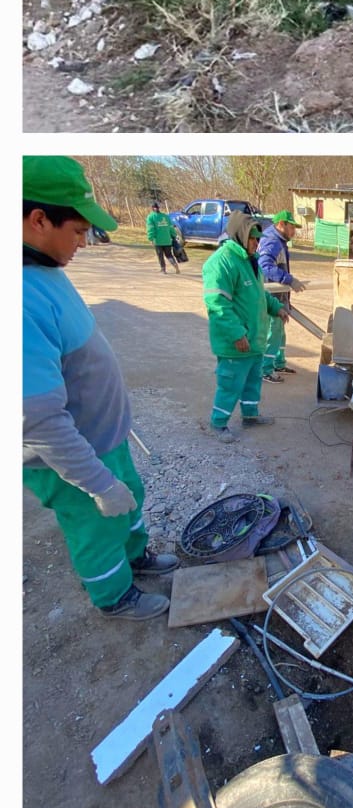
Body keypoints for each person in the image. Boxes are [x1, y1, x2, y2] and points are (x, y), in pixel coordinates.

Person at [22, 156, 178, 621]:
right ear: (38, 219)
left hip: (103, 438)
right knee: (96, 525)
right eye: (78, 231)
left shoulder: (42, 270)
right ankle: (113, 595)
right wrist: (95, 482)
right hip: (72, 456)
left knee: (129, 501)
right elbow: (37, 418)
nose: (84, 243)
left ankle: (136, 558)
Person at [202, 213, 285, 438]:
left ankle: (250, 416)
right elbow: (217, 305)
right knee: (230, 384)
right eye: (253, 239)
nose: (257, 244)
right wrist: (236, 333)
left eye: (259, 239)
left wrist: (276, 307)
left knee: (251, 382)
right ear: (241, 235)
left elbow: (258, 294)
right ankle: (217, 424)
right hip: (236, 343)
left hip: (254, 340)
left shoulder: (250, 261)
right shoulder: (221, 262)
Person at [257, 210, 306, 381]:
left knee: (280, 331)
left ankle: (279, 362)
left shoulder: (279, 241)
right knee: (274, 331)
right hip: (272, 296)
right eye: (291, 227)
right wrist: (289, 280)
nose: (294, 231)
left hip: (279, 295)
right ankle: (266, 369)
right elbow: (264, 266)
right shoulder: (272, 241)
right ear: (281, 224)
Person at [145, 204, 181, 274]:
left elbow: (151, 229)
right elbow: (171, 227)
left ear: (152, 208)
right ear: (159, 208)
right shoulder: (165, 216)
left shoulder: (150, 217)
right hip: (167, 240)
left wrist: (151, 238)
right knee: (169, 255)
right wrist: (173, 235)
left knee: (160, 255)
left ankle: (163, 269)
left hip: (158, 240)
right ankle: (175, 265)